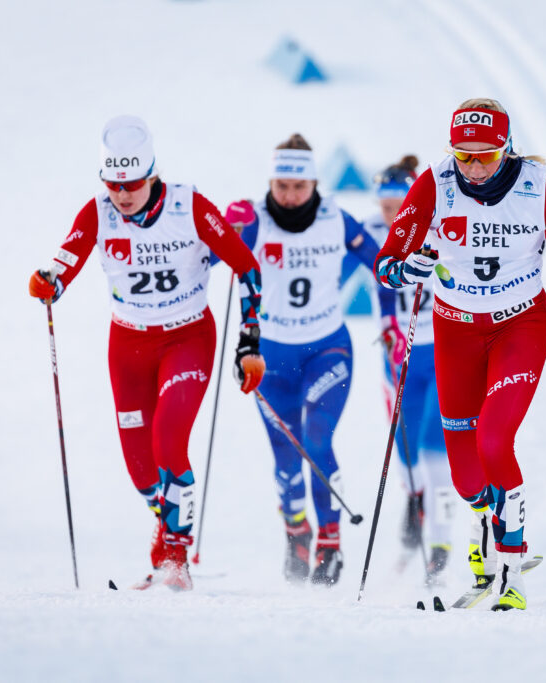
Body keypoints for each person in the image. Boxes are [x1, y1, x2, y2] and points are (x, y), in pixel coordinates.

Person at [374, 98, 546, 610]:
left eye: (487, 156)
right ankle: (488, 526)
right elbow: (387, 260)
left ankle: (512, 570)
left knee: (495, 439)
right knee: (464, 471)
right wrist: (405, 270)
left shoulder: (541, 188)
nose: (474, 168)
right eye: (464, 156)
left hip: (520, 326)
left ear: (507, 149)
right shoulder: (435, 183)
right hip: (454, 331)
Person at [27, 115, 264, 591]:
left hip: (187, 339)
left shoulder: (189, 206)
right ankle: (166, 527)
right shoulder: (98, 211)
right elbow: (65, 261)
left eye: (133, 182)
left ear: (152, 174)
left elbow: (246, 266)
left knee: (169, 438)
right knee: (141, 471)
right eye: (114, 183)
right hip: (128, 346)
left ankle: (176, 558)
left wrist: (248, 343)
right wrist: (48, 282)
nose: (123, 194)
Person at [224, 134, 403, 587]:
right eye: (281, 186)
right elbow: (211, 255)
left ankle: (330, 539)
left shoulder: (335, 220)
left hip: (328, 350)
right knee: (285, 456)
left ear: (313, 183)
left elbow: (386, 268)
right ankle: (296, 530)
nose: (289, 196)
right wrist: (225, 227)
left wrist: (391, 319)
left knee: (317, 441)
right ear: (271, 181)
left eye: (298, 187)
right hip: (268, 357)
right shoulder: (255, 220)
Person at [363, 156, 456, 584]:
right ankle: (415, 502)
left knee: (437, 445)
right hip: (398, 357)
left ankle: (440, 540)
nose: (390, 214)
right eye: (384, 206)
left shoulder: (439, 229)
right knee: (404, 446)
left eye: (396, 205)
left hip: (443, 351)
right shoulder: (371, 234)